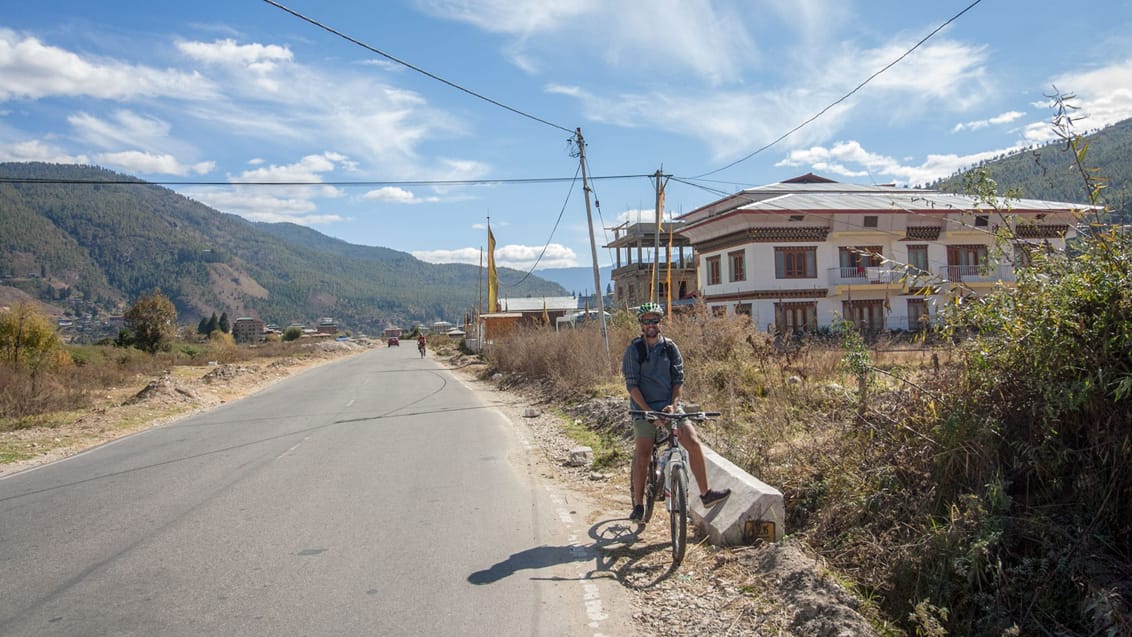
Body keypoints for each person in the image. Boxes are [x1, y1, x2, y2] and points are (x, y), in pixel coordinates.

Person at [623, 302, 730, 522]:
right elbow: (632, 386)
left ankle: (705, 494)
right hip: (644, 409)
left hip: (670, 406)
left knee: (693, 441)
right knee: (643, 452)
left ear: (660, 323)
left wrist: (673, 404)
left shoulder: (670, 348)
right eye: (646, 321)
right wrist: (649, 412)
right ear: (641, 325)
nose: (651, 324)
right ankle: (639, 505)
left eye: (654, 320)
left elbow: (678, 380)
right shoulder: (634, 350)